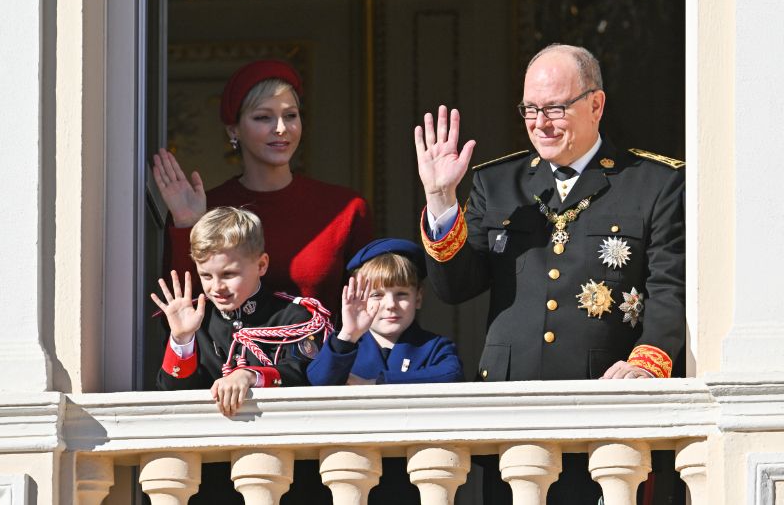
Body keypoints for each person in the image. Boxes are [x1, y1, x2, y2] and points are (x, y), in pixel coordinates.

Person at [414, 44, 685, 503]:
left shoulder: (653, 183)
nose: (541, 123)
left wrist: (647, 363)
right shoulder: (497, 182)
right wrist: (441, 198)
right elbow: (456, 288)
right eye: (530, 109)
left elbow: (669, 287)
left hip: (605, 413)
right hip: (509, 415)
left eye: (556, 108)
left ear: (595, 105)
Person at [153, 59, 372, 313]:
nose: (281, 129)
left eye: (290, 115)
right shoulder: (206, 210)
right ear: (233, 130)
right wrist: (188, 226)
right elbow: (177, 318)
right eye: (263, 117)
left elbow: (368, 313)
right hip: (228, 353)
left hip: (325, 352)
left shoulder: (345, 209)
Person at [153, 207, 331, 413]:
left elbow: (306, 377)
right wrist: (182, 340)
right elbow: (173, 398)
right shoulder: (197, 321)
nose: (216, 287)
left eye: (228, 274)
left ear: (262, 265)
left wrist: (250, 375)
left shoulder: (295, 318)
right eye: (206, 276)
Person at [307, 238, 464, 386]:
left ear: (418, 298)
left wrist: (377, 383)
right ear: (359, 297)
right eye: (377, 295)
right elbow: (318, 381)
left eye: (401, 294)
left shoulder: (434, 347)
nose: (390, 305)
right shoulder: (344, 346)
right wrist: (348, 335)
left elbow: (452, 375)